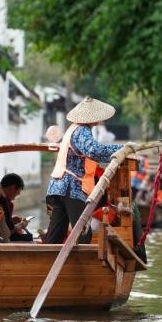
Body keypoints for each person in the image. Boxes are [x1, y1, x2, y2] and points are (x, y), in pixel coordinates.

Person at [45, 96, 124, 244]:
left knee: (56, 234)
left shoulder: (72, 129)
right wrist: (122, 148)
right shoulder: (82, 130)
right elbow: (94, 151)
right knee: (83, 233)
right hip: (71, 188)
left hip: (58, 187)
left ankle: (45, 263)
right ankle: (77, 267)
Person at [0, 173, 33, 242]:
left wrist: (11, 220)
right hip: (1, 237)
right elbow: (8, 231)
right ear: (12, 188)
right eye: (17, 193)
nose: (14, 198)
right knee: (29, 238)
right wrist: (22, 225)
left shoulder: (6, 202)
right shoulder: (1, 203)